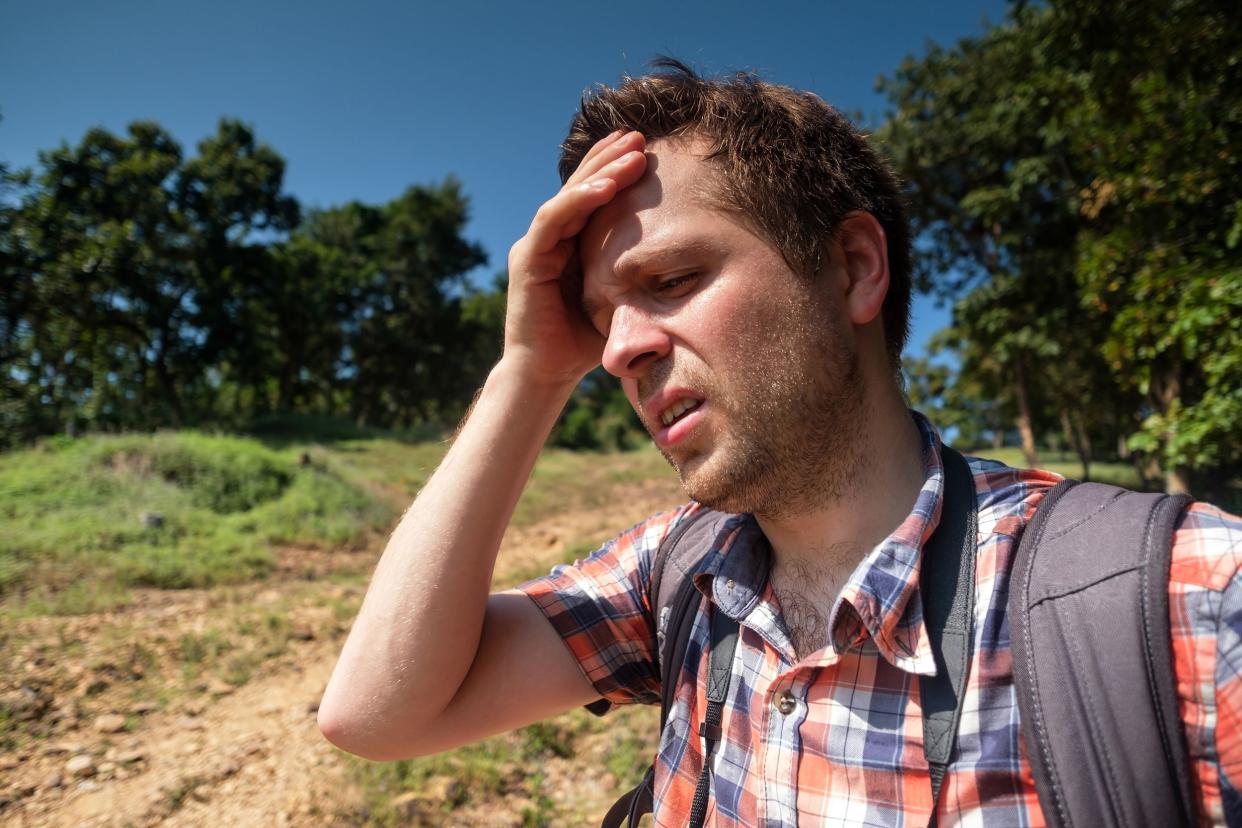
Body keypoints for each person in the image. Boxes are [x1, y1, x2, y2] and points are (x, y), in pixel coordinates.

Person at [318, 60, 1242, 826]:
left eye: (672, 277)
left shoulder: (1182, 604)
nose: (619, 350)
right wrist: (528, 370)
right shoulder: (679, 572)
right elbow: (376, 712)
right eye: (600, 321)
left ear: (853, 268)